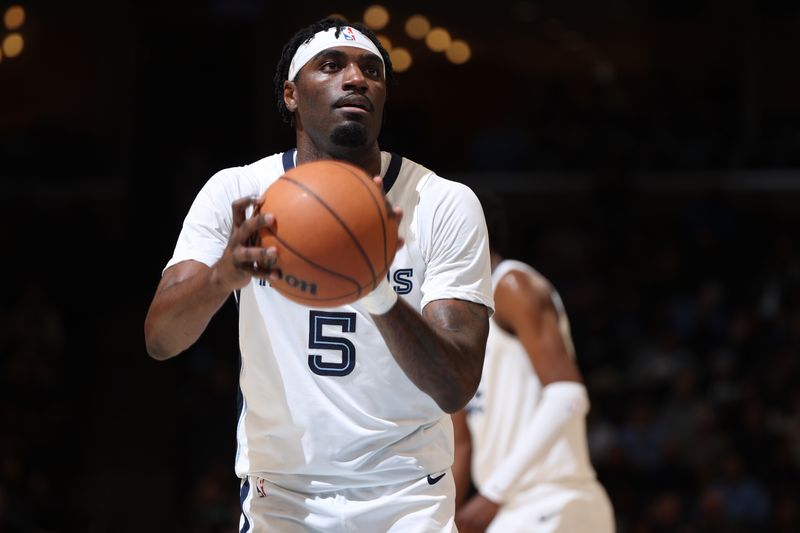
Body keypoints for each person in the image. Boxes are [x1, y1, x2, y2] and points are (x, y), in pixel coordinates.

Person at [144, 18, 494, 533]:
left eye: (371, 71)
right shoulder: (238, 192)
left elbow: (455, 385)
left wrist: (375, 291)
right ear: (291, 94)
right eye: (332, 65)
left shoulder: (443, 202)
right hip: (282, 498)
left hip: (406, 499)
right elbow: (160, 339)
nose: (356, 79)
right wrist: (222, 276)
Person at [451, 192, 615, 533]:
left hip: (552, 500)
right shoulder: (454, 312)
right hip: (513, 506)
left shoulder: (512, 285)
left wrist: (494, 493)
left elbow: (568, 395)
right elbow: (461, 442)